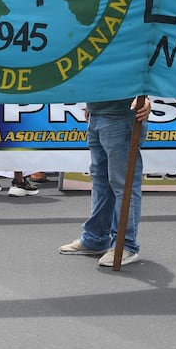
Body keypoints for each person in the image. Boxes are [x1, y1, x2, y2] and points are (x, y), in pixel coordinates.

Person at [59, 95, 151, 266]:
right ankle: (96, 238)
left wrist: (144, 97)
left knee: (123, 183)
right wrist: (91, 103)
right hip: (99, 112)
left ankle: (125, 245)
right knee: (102, 181)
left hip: (121, 114)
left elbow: (143, 68)